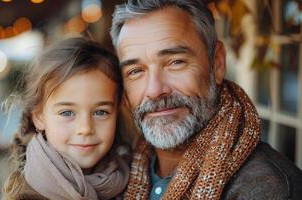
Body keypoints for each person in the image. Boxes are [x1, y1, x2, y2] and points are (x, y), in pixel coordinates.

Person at [110, 0, 302, 199]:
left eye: (176, 62)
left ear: (217, 63)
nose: (155, 90)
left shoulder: (269, 189)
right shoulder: (115, 175)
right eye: (135, 71)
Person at [3, 37, 129, 200]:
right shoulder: (24, 193)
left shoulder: (137, 182)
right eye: (67, 113)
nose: (85, 128)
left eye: (100, 112)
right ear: (39, 116)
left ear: (117, 112)